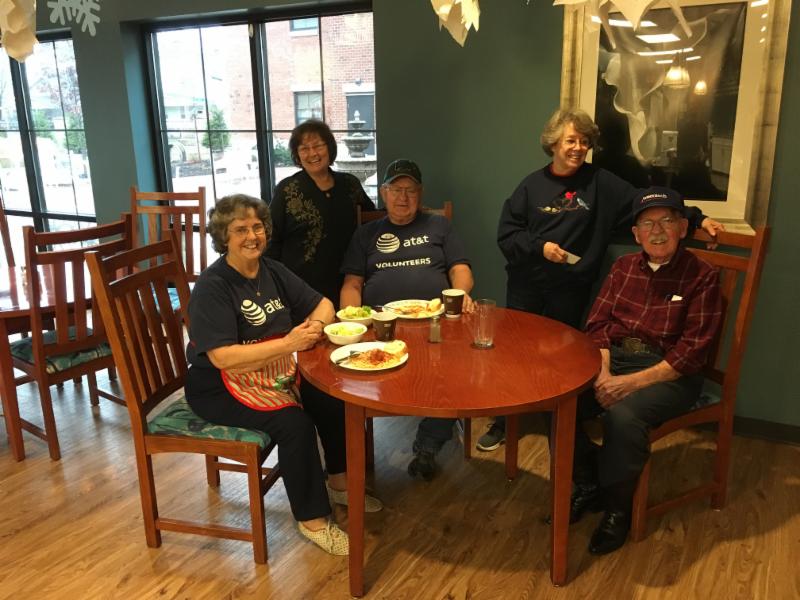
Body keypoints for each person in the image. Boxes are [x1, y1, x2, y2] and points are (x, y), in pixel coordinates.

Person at [478, 108, 724, 452]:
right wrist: (540, 247)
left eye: (584, 141)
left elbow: (647, 200)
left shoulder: (601, 183)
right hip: (526, 284)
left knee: (560, 359)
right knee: (515, 355)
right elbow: (507, 234)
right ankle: (506, 420)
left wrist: (697, 218)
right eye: (570, 140)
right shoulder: (531, 186)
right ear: (553, 144)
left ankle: (558, 420)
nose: (578, 148)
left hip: (570, 288)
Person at [185, 194, 382, 557]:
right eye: (240, 229)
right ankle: (313, 519)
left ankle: (339, 484)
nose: (252, 236)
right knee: (296, 426)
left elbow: (323, 304)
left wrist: (314, 328)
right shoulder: (213, 286)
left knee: (330, 397)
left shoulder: (271, 270)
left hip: (271, 370)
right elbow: (223, 357)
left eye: (257, 227)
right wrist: (290, 343)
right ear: (223, 236)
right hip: (218, 387)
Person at [571, 186, 722, 555]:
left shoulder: (702, 275)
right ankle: (588, 481)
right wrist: (605, 376)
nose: (657, 231)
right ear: (636, 234)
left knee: (623, 416)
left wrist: (626, 385)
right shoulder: (623, 267)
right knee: (558, 396)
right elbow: (598, 325)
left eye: (666, 221)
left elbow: (692, 352)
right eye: (647, 224)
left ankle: (617, 510)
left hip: (669, 373)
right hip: (614, 360)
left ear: (682, 228)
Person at [340, 159, 474, 480]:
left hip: (436, 324)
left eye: (410, 190)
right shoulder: (366, 234)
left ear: (420, 193)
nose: (403, 197)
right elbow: (352, 284)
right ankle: (352, 459)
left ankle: (427, 444)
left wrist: (460, 294)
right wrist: (352, 325)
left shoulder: (439, 226)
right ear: (384, 193)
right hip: (382, 328)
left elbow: (460, 268)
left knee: (452, 376)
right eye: (396, 189)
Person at [267, 119, 375, 309]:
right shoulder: (287, 190)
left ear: (330, 148)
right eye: (304, 148)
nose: (312, 154)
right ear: (297, 155)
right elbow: (271, 238)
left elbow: (371, 221)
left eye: (318, 146)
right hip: (300, 289)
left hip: (347, 284)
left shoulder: (349, 184)